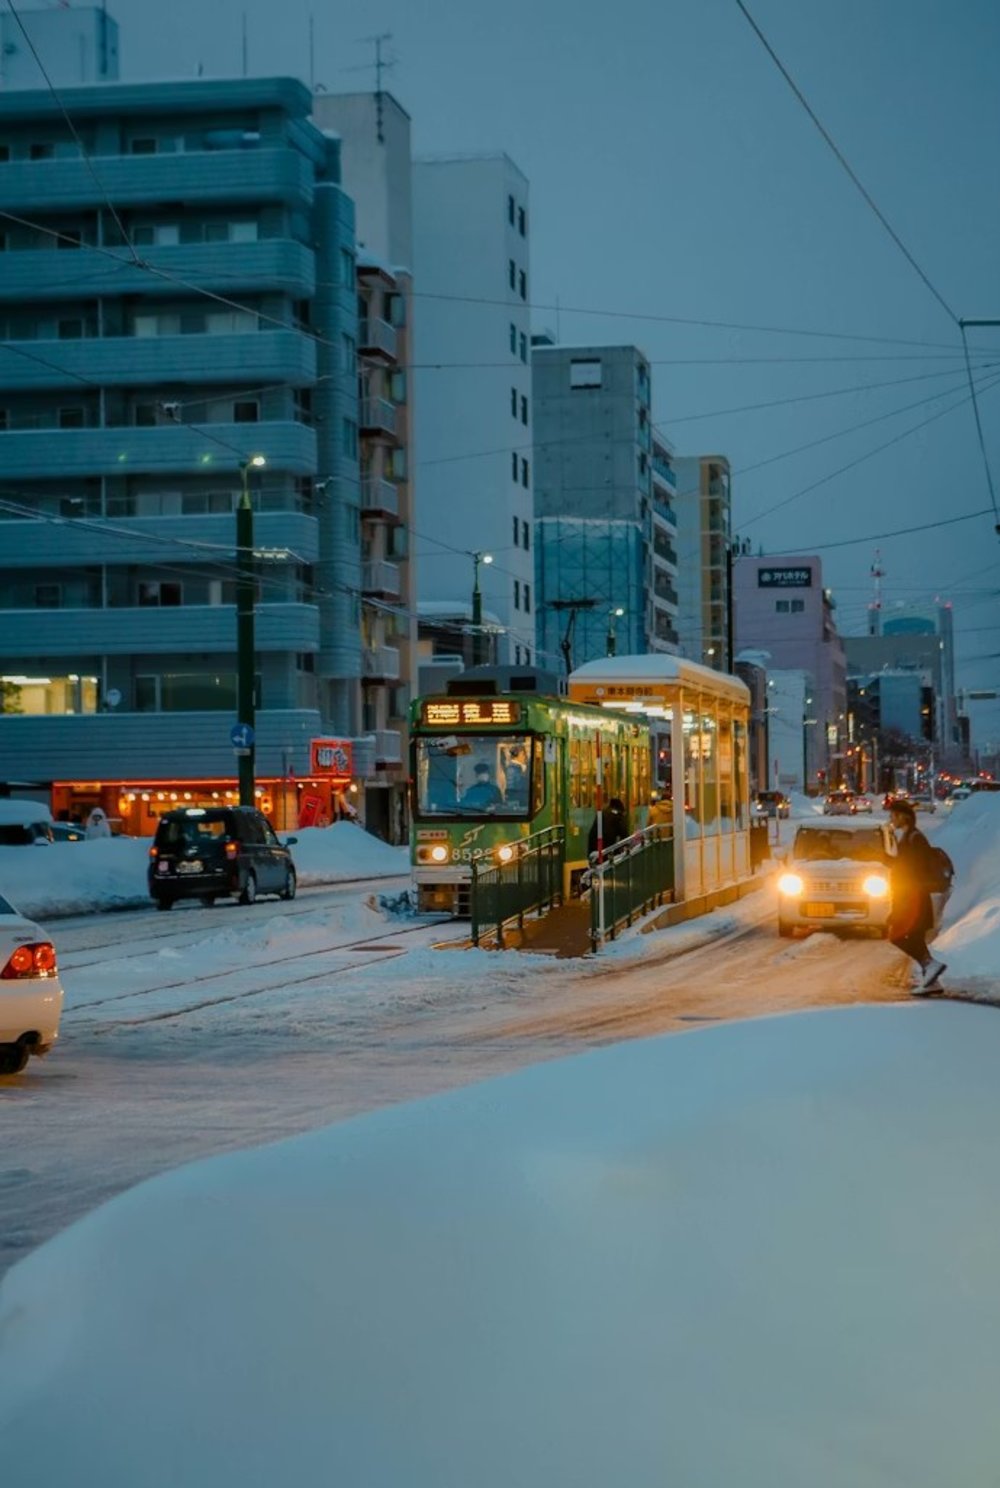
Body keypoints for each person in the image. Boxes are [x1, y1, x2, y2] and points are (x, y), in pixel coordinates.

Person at [887, 799, 945, 992]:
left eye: (893, 815)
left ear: (904, 816)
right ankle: (931, 981)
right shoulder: (908, 837)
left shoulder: (914, 838)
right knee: (915, 936)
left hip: (912, 895)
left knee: (897, 934)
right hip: (911, 894)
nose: (891, 819)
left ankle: (929, 965)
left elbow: (916, 868)